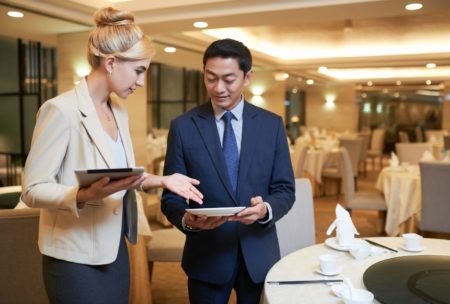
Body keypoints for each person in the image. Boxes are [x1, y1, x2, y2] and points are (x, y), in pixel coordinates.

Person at [21, 7, 203, 304]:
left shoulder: (118, 109)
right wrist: (83, 193)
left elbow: (120, 175)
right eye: (139, 70)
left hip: (115, 248)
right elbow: (32, 189)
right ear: (111, 62)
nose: (141, 81)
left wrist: (162, 180)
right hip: (74, 258)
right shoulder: (60, 111)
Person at [161, 38, 295, 303]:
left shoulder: (271, 125)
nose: (218, 88)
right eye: (211, 78)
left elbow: (285, 189)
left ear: (247, 77)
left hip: (258, 255)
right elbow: (171, 198)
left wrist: (265, 210)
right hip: (207, 256)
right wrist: (188, 221)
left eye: (228, 79)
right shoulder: (184, 127)